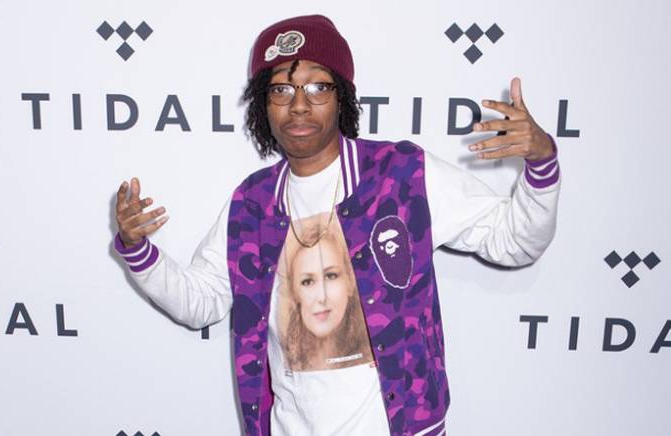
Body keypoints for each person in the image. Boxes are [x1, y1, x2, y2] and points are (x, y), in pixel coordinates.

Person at [113, 14, 560, 436]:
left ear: (342, 96)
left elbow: (514, 242)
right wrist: (138, 249)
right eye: (281, 90)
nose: (299, 106)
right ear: (263, 105)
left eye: (317, 87)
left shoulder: (401, 175)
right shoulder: (251, 205)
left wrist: (541, 162)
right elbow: (201, 303)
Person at [279, 214, 373, 371]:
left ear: (350, 281)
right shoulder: (288, 361)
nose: (322, 297)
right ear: (294, 292)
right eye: (307, 282)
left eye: (331, 276)